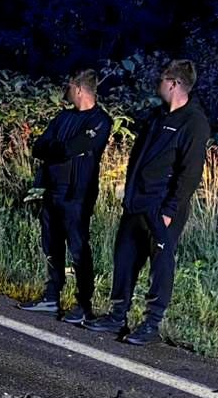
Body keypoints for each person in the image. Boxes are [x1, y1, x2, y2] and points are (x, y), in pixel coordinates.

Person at [86, 60, 209, 345]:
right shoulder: (157, 115)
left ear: (174, 83)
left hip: (162, 207)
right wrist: (129, 196)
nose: (157, 84)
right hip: (137, 202)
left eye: (162, 79)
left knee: (161, 265)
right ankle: (117, 315)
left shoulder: (194, 122)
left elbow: (190, 173)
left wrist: (169, 210)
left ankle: (151, 323)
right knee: (125, 258)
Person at [19, 70, 112, 323]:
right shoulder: (63, 117)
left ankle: (84, 304)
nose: (66, 91)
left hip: (78, 194)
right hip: (53, 190)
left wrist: (59, 148)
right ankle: (51, 296)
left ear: (79, 89)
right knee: (51, 243)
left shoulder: (100, 121)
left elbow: (73, 147)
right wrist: (60, 149)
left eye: (69, 86)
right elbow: (39, 147)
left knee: (78, 247)